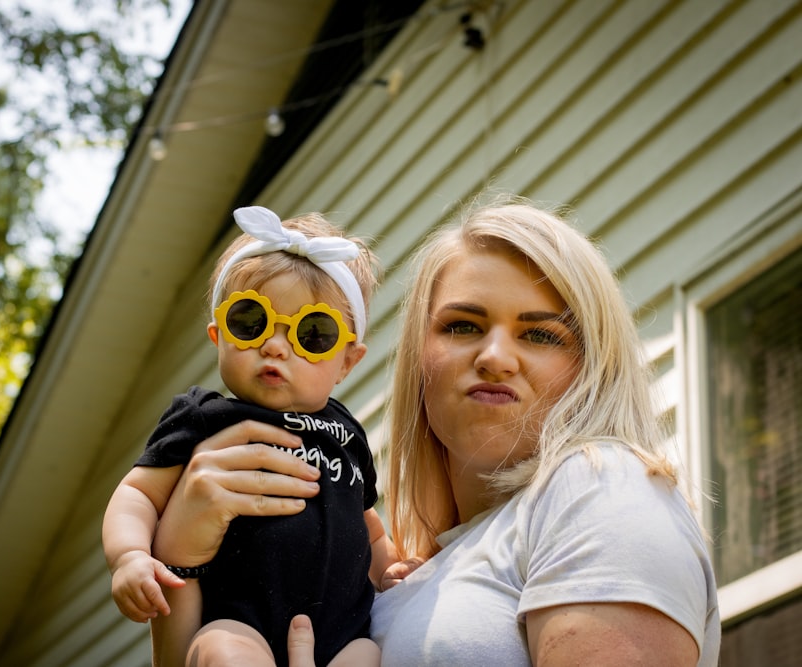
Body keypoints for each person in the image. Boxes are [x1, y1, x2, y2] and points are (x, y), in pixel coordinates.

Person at [144, 195, 721, 666]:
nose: (496, 356)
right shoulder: (397, 577)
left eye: (541, 334)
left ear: (593, 363)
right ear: (419, 357)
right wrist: (180, 557)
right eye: (463, 325)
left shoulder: (602, 485)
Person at [102, 206, 409, 667]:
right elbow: (138, 494)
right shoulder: (205, 417)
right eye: (252, 322)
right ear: (217, 334)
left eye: (313, 333)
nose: (275, 345)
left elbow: (367, 523)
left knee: (371, 655)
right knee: (224, 653)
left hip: (343, 637)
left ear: (348, 361)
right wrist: (129, 556)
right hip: (238, 621)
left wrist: (389, 570)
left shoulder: (346, 431)